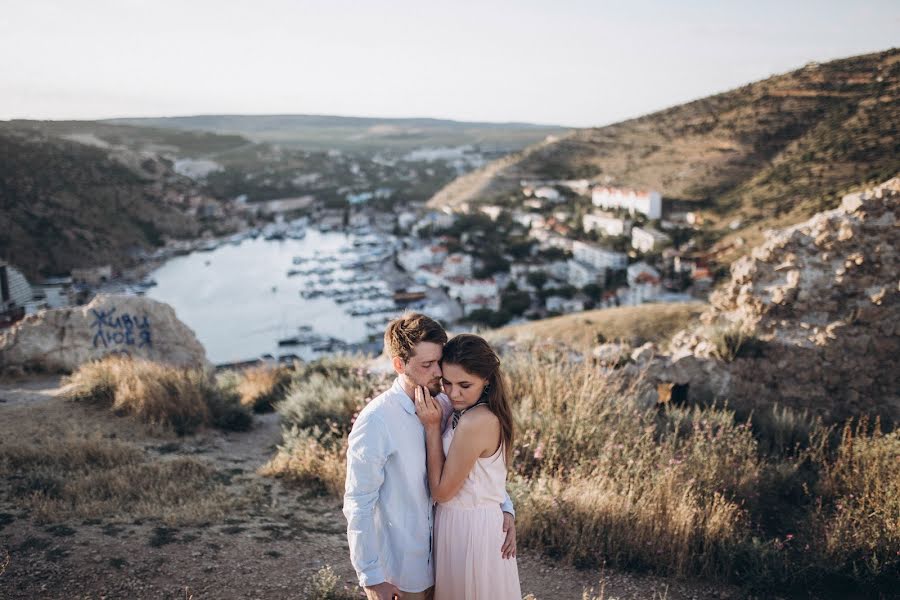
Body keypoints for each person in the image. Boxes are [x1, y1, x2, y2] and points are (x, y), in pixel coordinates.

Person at [343, 314, 516, 600]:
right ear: (399, 365)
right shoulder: (376, 421)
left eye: (439, 360)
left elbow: (476, 465)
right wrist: (371, 577)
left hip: (450, 555)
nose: (439, 372)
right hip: (404, 569)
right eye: (427, 365)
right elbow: (358, 502)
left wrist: (505, 507)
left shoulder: (448, 400)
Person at [414, 333, 522, 600]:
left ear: (486, 380)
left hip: (470, 529)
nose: (453, 393)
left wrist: (430, 428)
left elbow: (440, 493)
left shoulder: (477, 420)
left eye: (464, 384)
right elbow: (486, 477)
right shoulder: (468, 410)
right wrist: (506, 507)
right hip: (465, 522)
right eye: (446, 383)